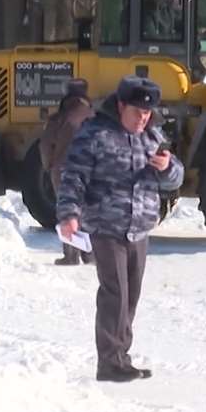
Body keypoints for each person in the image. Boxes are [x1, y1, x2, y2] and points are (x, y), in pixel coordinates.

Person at [56, 76, 184, 383]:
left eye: (148, 113)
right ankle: (110, 362)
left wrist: (167, 168)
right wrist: (69, 214)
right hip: (105, 225)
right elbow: (73, 176)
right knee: (115, 292)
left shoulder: (152, 136)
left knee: (131, 295)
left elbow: (176, 178)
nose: (144, 118)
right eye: (138, 112)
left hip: (139, 228)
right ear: (121, 105)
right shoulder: (95, 134)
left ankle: (121, 356)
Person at [40, 78, 95, 266]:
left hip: (63, 170)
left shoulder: (59, 118)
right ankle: (90, 254)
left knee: (67, 210)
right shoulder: (95, 118)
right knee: (88, 210)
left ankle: (71, 255)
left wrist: (48, 165)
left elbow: (46, 144)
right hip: (91, 171)